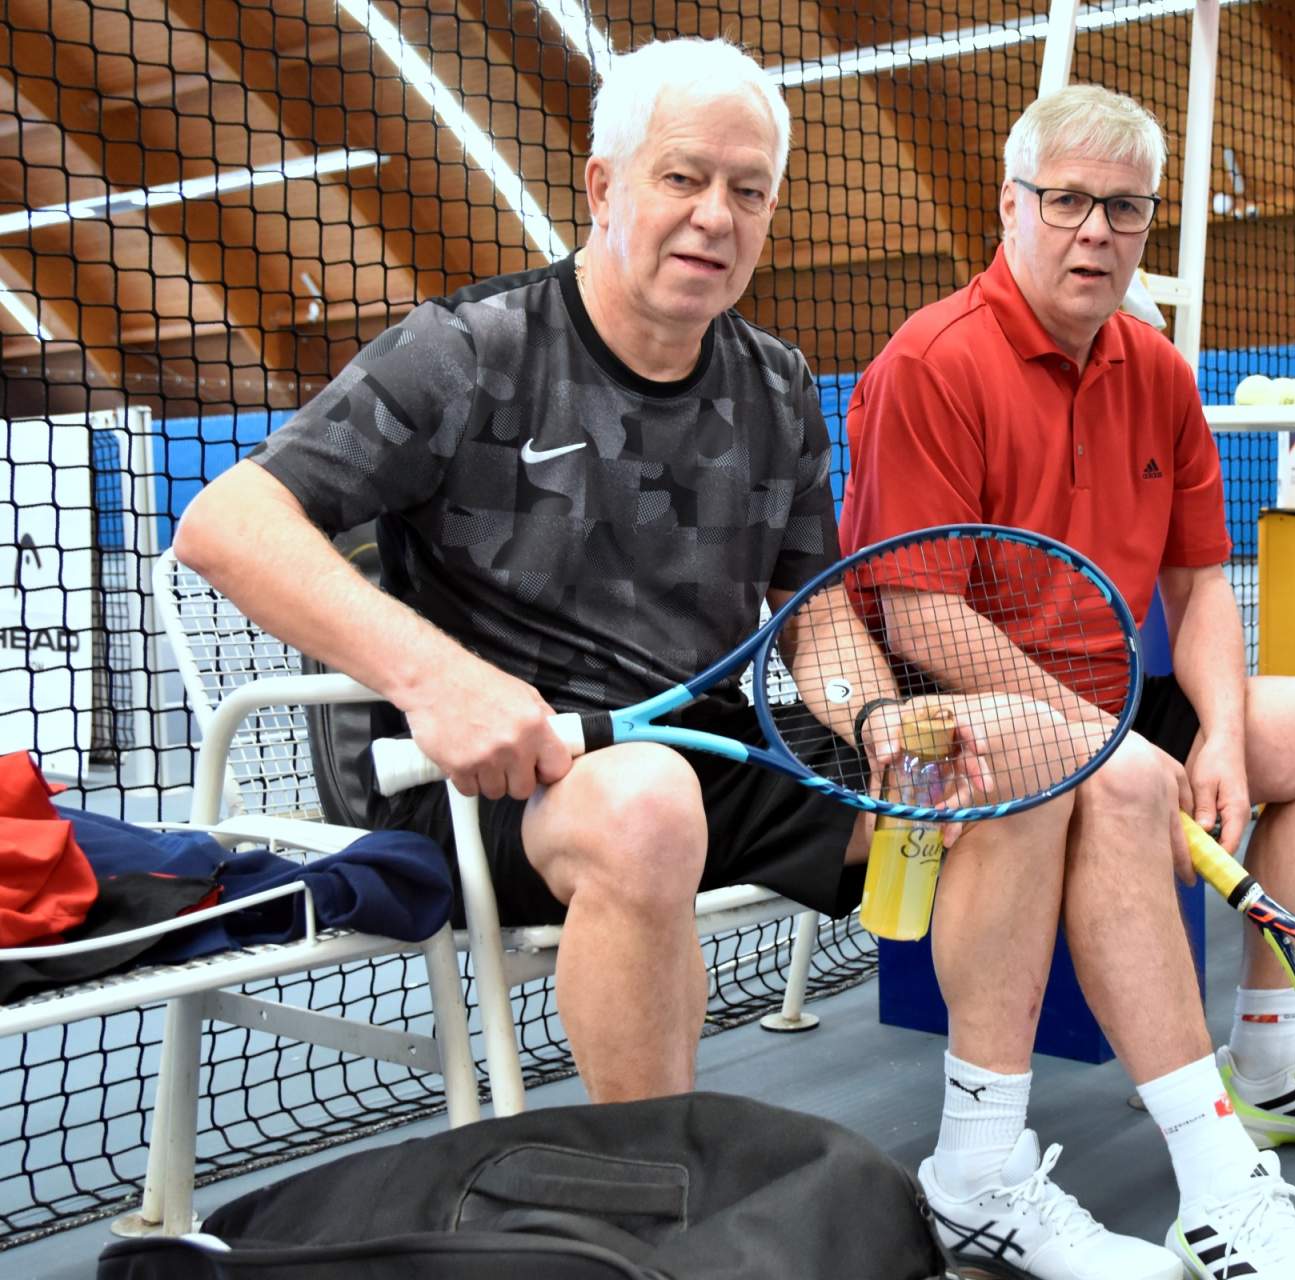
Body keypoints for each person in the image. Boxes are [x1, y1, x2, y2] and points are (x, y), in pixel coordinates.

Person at [172, 38, 995, 1107]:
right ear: (604, 188)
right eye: (683, 177)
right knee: (646, 805)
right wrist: (439, 680)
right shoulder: (468, 353)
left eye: (748, 191)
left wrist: (878, 720)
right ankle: (658, 1187)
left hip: (700, 748)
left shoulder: (777, 384)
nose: (716, 216)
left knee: (996, 777)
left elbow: (816, 615)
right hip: (485, 786)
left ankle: (983, 1155)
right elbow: (225, 523)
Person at [842, 85, 1295, 1280]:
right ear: (1011, 206)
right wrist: (1111, 740)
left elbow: (1200, 582)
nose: (1095, 232)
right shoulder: (931, 364)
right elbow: (918, 613)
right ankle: (1216, 1189)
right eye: (1067, 201)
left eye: (1124, 208)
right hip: (955, 724)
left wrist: (1218, 728)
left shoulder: (1157, 369)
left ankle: (1273, 1061)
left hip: (1113, 700)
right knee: (1110, 779)